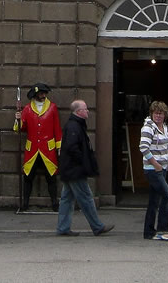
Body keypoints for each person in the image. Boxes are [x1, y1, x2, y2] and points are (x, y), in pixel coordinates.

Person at [56, 99, 114, 237]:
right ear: (79, 112)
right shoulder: (75, 127)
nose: (88, 111)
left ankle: (63, 227)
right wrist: (83, 162)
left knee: (67, 198)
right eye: (85, 109)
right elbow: (72, 148)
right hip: (75, 170)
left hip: (69, 169)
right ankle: (97, 226)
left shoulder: (74, 125)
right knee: (86, 198)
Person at [13, 82, 61, 211]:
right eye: (41, 93)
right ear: (35, 94)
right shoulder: (27, 109)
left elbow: (57, 128)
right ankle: (25, 204)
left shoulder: (52, 108)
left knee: (51, 177)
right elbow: (21, 128)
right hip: (33, 148)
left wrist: (59, 145)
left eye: (45, 92)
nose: (44, 95)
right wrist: (18, 119)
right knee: (28, 176)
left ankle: (54, 203)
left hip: (48, 148)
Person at [140, 100, 168, 241]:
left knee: (154, 201)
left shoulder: (165, 127)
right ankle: (162, 229)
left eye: (161, 113)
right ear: (152, 114)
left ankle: (148, 232)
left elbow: (167, 146)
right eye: (156, 113)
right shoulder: (148, 128)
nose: (158, 116)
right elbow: (143, 147)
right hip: (153, 170)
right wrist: (156, 165)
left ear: (165, 115)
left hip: (162, 168)